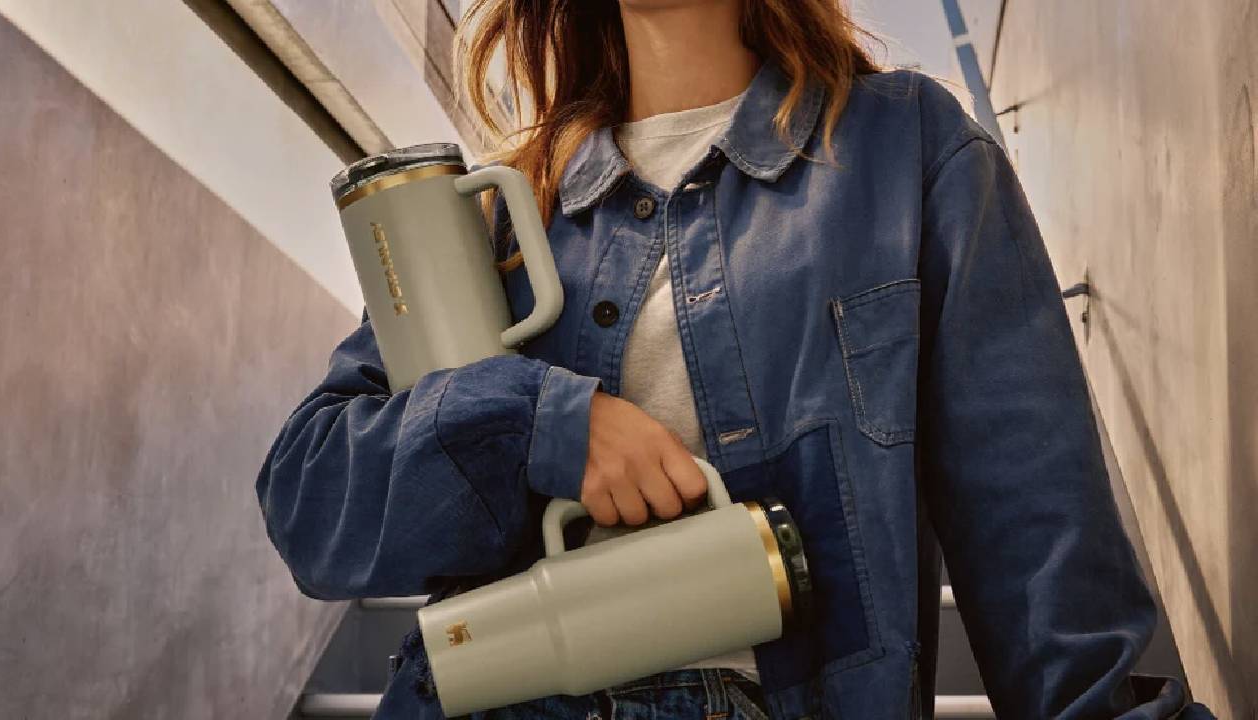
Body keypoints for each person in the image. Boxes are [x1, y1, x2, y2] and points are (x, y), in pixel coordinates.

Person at [256, 1, 1213, 718]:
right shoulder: (506, 211)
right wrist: (543, 424)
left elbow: (1051, 575)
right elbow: (309, 496)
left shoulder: (911, 151)